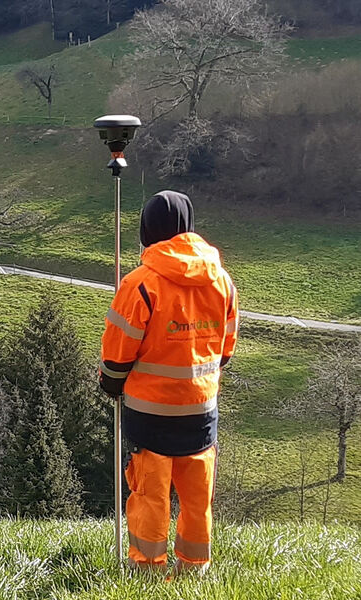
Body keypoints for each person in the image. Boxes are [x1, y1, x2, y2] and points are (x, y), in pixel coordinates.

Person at [99, 191, 238, 575]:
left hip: (151, 414)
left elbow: (117, 353)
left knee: (150, 495)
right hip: (201, 411)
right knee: (197, 498)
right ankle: (194, 567)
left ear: (148, 230)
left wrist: (111, 385)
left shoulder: (140, 284)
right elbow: (226, 347)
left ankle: (147, 570)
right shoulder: (221, 280)